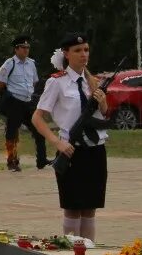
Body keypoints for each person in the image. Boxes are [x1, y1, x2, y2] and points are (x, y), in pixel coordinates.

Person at [32, 32, 109, 242]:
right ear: (66, 54)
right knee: (73, 207)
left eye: (86, 50)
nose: (83, 54)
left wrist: (102, 102)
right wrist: (57, 142)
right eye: (77, 51)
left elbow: (103, 114)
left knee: (90, 207)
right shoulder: (57, 82)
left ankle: (89, 250)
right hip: (70, 150)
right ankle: (71, 250)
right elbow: (37, 118)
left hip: (95, 148)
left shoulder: (93, 81)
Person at [0, 35, 47, 171]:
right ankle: (12, 161)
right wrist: (11, 94)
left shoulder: (31, 63)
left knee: (39, 130)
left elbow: (34, 81)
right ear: (16, 49)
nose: (26, 50)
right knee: (12, 133)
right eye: (23, 47)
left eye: (28, 47)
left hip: (28, 102)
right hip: (15, 103)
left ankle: (41, 160)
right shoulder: (9, 64)